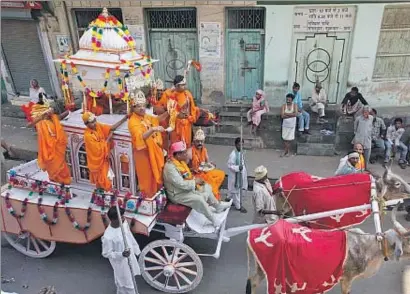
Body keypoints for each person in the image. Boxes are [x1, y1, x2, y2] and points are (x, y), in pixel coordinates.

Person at [163, 141, 230, 228]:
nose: (186, 154)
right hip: (177, 194)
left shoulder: (180, 162)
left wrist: (194, 177)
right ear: (178, 155)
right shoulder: (170, 168)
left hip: (186, 188)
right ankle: (213, 219)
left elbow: (186, 176)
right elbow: (180, 184)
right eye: (184, 152)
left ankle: (217, 206)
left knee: (207, 186)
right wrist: (195, 182)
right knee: (199, 199)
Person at [128, 92, 168, 197]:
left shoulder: (145, 116)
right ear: (133, 108)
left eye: (143, 105)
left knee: (156, 174)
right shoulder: (132, 121)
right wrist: (153, 129)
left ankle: (158, 196)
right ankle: (148, 198)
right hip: (143, 153)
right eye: (138, 106)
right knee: (147, 176)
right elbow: (140, 137)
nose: (142, 108)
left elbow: (156, 120)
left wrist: (169, 112)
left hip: (154, 149)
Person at [28, 101, 71, 185]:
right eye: (48, 111)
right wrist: (41, 117)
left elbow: (59, 117)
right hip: (48, 150)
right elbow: (29, 125)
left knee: (62, 168)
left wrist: (69, 111)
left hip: (57, 148)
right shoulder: (40, 123)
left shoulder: (53, 118)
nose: (50, 112)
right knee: (53, 169)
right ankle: (56, 182)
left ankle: (64, 183)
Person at [83, 111, 127, 192]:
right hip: (96, 163)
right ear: (86, 124)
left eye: (94, 121)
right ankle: (105, 199)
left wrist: (124, 119)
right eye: (91, 122)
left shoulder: (98, 126)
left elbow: (112, 128)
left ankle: (104, 198)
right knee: (103, 181)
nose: (94, 123)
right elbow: (98, 150)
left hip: (103, 161)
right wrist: (108, 138)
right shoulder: (88, 136)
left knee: (106, 180)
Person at [102, 206, 141, 294]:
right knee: (128, 284)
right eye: (121, 217)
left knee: (127, 280)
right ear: (114, 220)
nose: (124, 218)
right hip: (120, 263)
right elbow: (106, 253)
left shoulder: (123, 223)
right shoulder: (108, 236)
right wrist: (121, 255)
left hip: (130, 257)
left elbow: (129, 236)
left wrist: (136, 249)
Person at [155, 75, 198, 147]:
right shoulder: (171, 96)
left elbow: (192, 108)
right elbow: (170, 111)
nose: (184, 86)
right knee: (176, 145)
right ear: (177, 86)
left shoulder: (188, 94)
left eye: (184, 84)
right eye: (182, 85)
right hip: (176, 125)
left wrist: (191, 117)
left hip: (187, 123)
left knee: (187, 144)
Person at [187, 128, 225, 200]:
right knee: (211, 181)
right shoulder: (190, 152)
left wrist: (211, 164)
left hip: (204, 172)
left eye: (202, 141)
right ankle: (215, 198)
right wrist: (192, 169)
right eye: (198, 141)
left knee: (221, 174)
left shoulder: (204, 150)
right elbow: (184, 169)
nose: (200, 143)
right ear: (194, 142)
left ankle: (213, 193)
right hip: (195, 174)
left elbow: (207, 163)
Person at [227, 137, 248, 213]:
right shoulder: (233, 155)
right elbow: (230, 165)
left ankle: (230, 199)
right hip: (235, 176)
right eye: (239, 145)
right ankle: (239, 206)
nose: (241, 147)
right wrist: (238, 168)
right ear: (236, 145)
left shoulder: (240, 152)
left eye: (242, 145)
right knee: (236, 191)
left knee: (238, 190)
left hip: (240, 174)